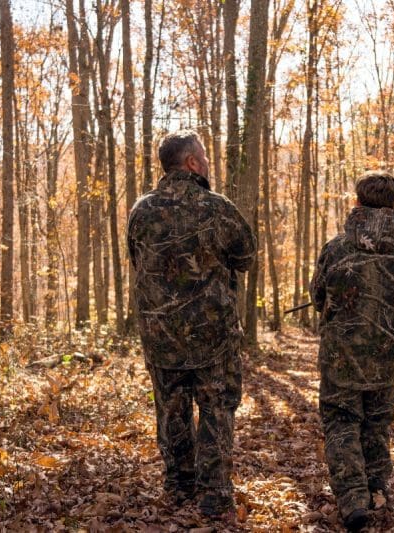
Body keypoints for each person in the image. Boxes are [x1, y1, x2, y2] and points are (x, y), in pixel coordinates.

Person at [127, 130, 256, 518]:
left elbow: (137, 260)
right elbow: (246, 257)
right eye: (204, 156)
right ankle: (214, 493)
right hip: (212, 335)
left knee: (172, 410)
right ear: (191, 162)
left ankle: (179, 485)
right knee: (216, 408)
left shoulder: (141, 210)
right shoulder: (217, 207)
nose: (208, 162)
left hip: (161, 334)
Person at [310, 171, 394, 531]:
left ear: (357, 202)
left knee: (342, 425)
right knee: (376, 426)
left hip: (341, 360)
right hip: (386, 360)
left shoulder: (334, 250)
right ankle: (374, 490)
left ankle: (354, 499)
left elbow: (318, 297)